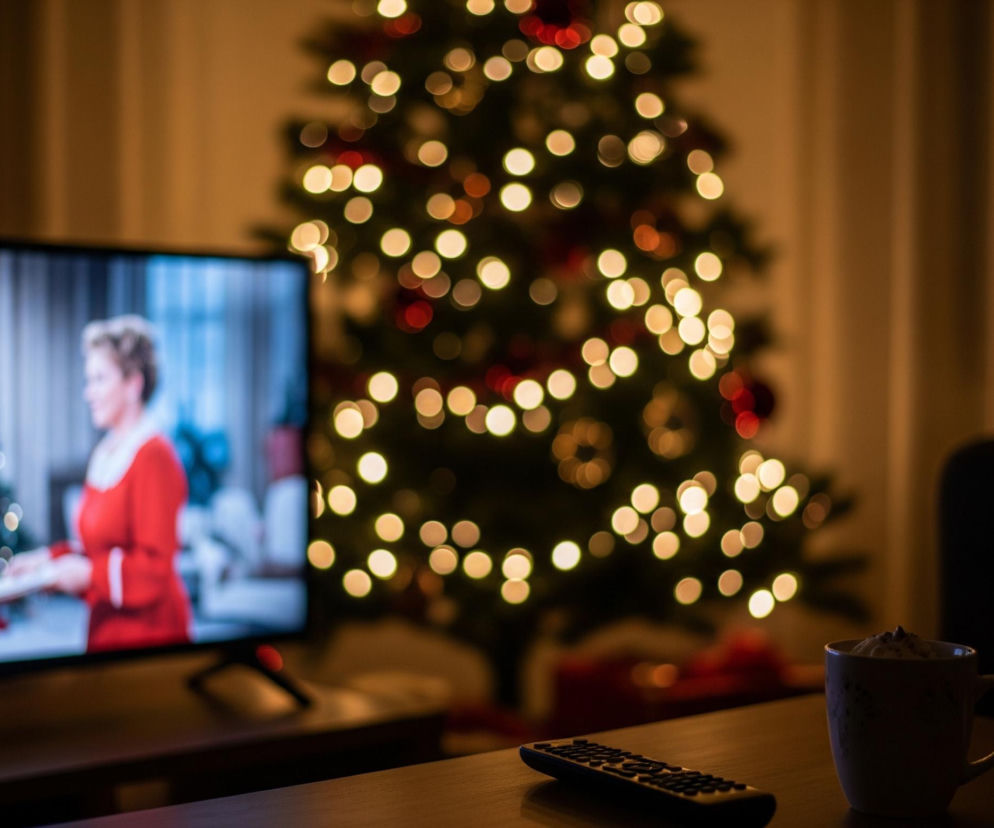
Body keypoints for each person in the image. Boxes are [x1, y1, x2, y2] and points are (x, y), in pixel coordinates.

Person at [10, 316, 191, 652]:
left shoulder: (155, 457)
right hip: (106, 626)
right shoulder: (107, 453)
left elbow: (155, 569)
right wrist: (45, 560)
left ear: (133, 384)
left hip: (150, 633)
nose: (88, 392)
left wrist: (89, 575)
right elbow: (99, 549)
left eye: (99, 379)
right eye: (88, 380)